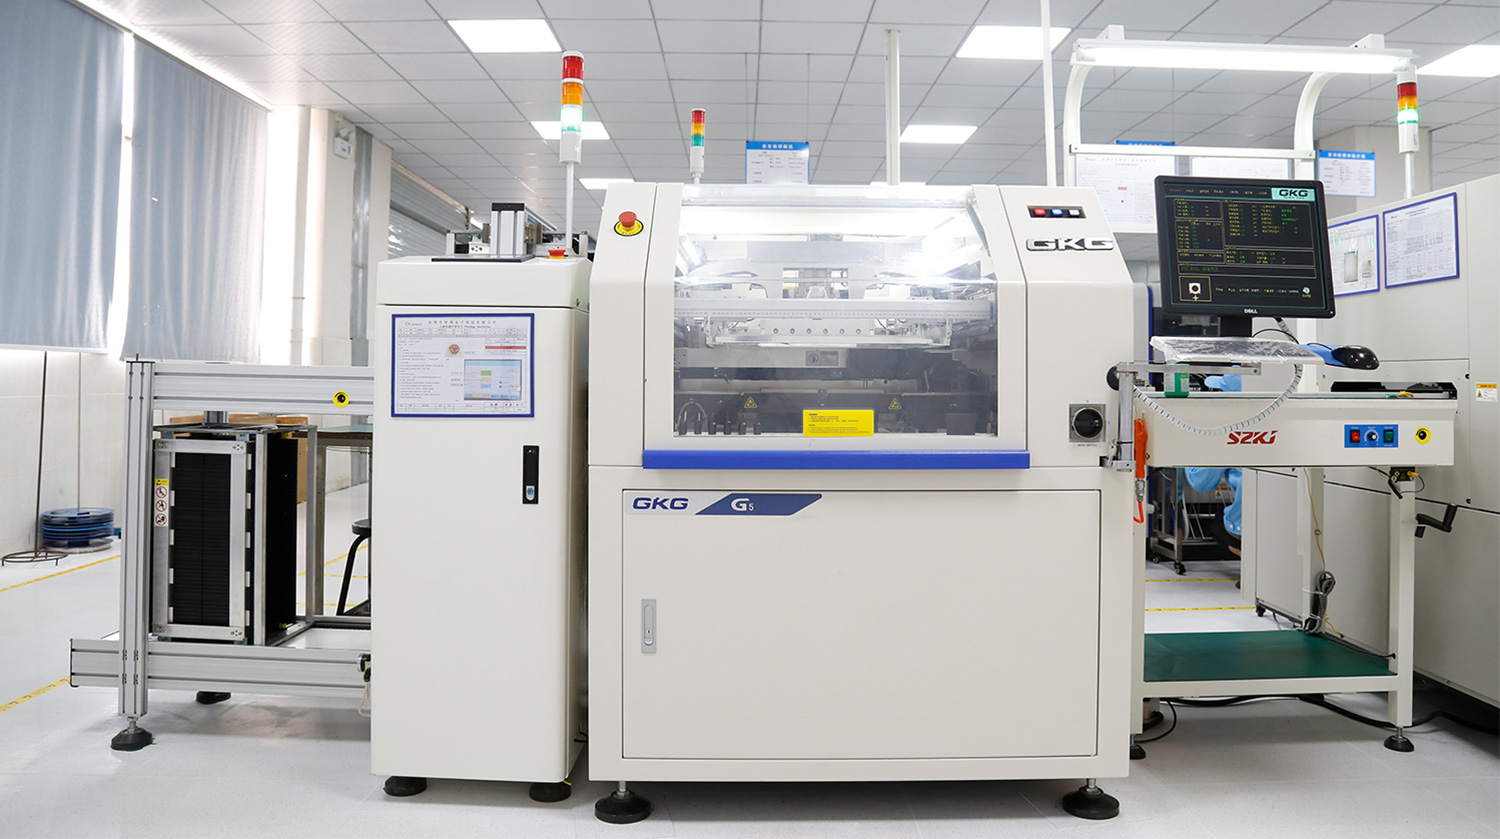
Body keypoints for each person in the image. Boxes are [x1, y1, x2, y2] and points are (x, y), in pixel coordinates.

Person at [1184, 375, 1242, 557]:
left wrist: (1185, 455)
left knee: (1219, 526)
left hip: (1244, 524)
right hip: (1282, 515)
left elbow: (1202, 483)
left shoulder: (1226, 430)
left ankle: (1253, 562)